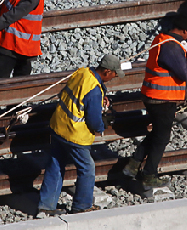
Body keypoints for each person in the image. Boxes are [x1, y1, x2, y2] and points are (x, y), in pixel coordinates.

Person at [36, 54, 124, 216]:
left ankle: (46, 205)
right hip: (75, 134)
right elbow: (93, 120)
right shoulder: (94, 90)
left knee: (55, 164)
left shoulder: (82, 73)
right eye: (114, 74)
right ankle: (82, 205)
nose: (115, 77)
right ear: (106, 71)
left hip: (58, 126)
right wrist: (101, 125)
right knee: (87, 168)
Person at [123, 12, 187, 188]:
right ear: (185, 31)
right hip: (162, 99)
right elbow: (184, 73)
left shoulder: (161, 38)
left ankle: (133, 164)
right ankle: (149, 174)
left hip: (153, 95)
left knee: (157, 132)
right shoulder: (172, 47)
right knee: (162, 138)